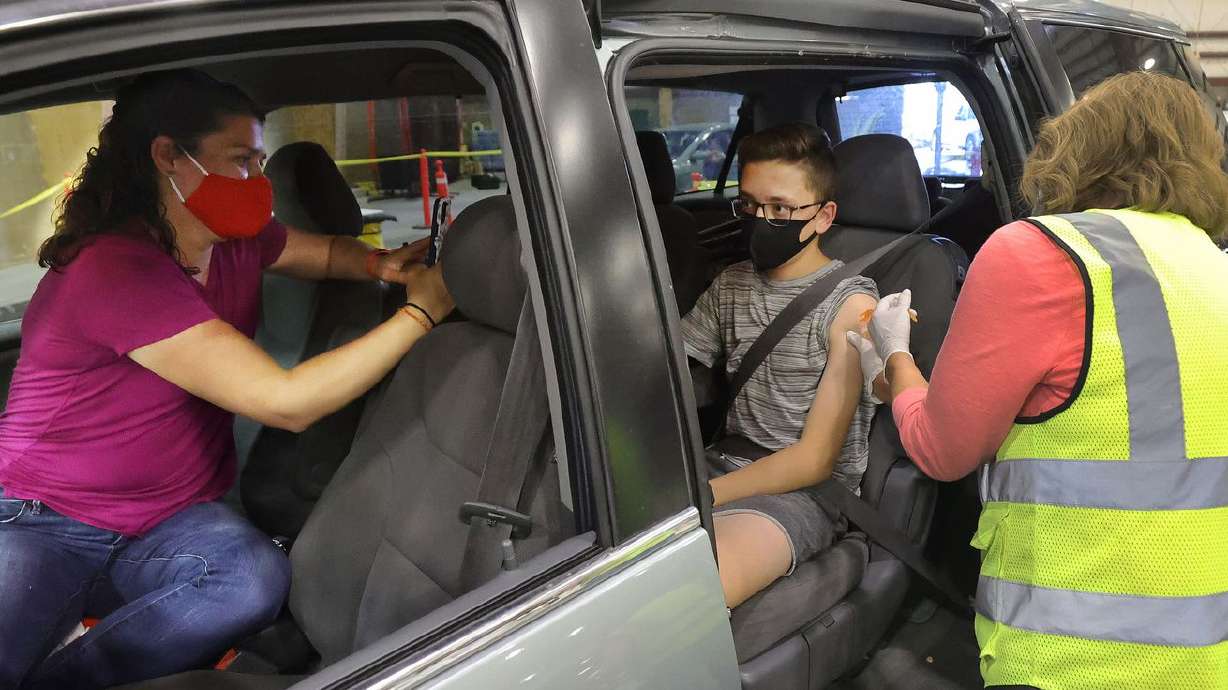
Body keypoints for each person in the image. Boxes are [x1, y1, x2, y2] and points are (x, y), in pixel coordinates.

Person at [0, 70, 453, 690]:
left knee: (249, 582)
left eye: (261, 161)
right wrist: (422, 313)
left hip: (170, 517)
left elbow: (319, 254)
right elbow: (285, 402)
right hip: (41, 516)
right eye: (241, 161)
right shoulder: (116, 269)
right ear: (169, 158)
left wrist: (381, 264)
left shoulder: (236, 239)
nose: (257, 183)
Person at [849, 71, 1228, 689]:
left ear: (1074, 147)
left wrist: (894, 360)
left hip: (1070, 655)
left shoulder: (1039, 254)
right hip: (1205, 653)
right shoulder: (1214, 265)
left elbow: (944, 451)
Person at [682, 122, 878, 608]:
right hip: (722, 459)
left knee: (688, 594)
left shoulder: (849, 306)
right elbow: (671, 373)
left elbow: (814, 460)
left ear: (823, 216)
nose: (760, 218)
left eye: (781, 209)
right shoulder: (731, 283)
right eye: (749, 204)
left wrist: (704, 494)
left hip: (804, 493)